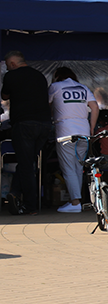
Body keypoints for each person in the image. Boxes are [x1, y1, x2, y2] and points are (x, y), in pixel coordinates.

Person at [1, 51, 53, 215]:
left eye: (8, 66)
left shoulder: (11, 76)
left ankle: (30, 206)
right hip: (44, 125)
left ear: (13, 64)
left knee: (26, 164)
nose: (8, 69)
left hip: (24, 125)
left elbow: (4, 96)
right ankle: (15, 193)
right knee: (28, 162)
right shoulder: (40, 76)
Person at [49, 67, 99, 213]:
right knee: (78, 167)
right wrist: (92, 127)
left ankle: (75, 202)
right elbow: (95, 107)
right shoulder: (83, 88)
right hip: (83, 130)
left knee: (68, 167)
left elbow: (48, 106)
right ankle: (77, 200)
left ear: (58, 76)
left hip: (65, 130)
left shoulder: (55, 87)